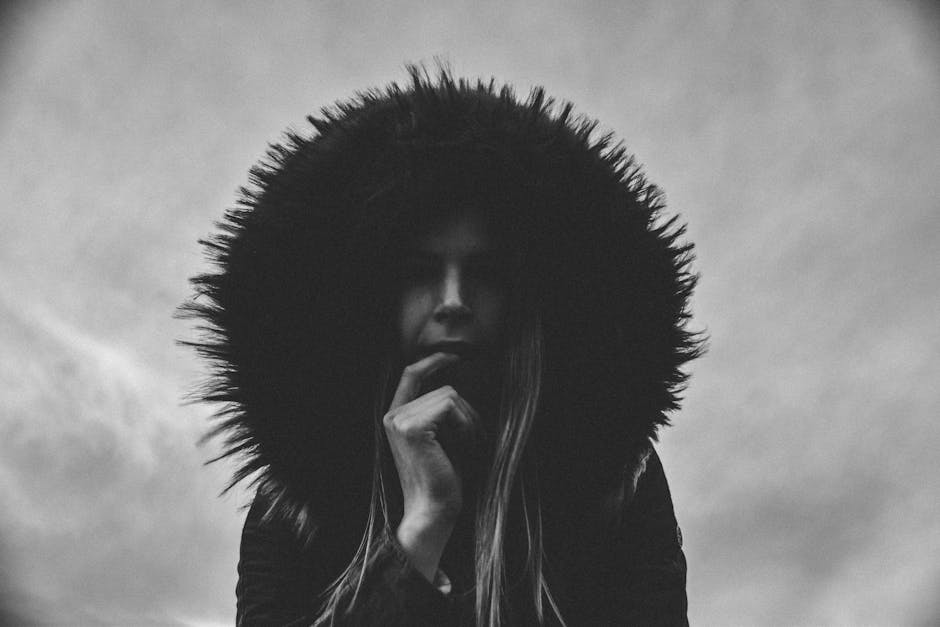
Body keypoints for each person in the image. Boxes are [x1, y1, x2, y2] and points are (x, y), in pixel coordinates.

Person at [180, 65, 706, 626]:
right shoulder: (297, 509)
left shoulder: (614, 490)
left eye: (485, 273)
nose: (453, 300)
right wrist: (422, 529)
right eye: (420, 273)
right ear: (375, 298)